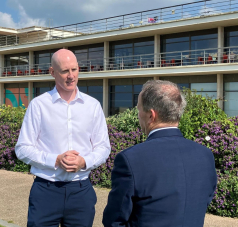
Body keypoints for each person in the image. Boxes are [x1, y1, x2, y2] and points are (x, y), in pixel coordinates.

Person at [15, 49, 110, 227]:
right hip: (46, 190)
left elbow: (103, 147)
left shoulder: (93, 106)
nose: (71, 76)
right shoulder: (39, 105)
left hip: (81, 192)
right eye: (65, 71)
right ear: (52, 72)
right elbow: (22, 148)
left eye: (74, 70)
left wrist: (84, 161)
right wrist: (55, 160)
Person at [103, 80, 217, 227]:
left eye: (138, 109)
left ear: (151, 115)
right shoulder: (205, 155)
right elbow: (204, 199)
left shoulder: (130, 160)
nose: (138, 115)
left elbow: (114, 220)